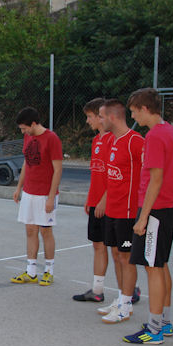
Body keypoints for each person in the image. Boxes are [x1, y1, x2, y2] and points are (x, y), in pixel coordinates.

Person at [123, 88, 173, 345]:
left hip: (156, 209)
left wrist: (143, 217)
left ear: (145, 109)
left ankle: (155, 329)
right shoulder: (170, 130)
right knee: (161, 264)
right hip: (168, 207)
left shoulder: (156, 135)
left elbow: (156, 179)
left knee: (153, 268)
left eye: (134, 111)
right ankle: (164, 321)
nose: (133, 116)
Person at [96, 99, 143, 323]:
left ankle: (126, 304)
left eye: (102, 116)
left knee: (126, 258)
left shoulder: (136, 141)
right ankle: (121, 298)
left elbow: (151, 174)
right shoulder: (111, 141)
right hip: (112, 210)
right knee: (116, 255)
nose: (100, 120)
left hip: (128, 211)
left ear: (112, 117)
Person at [11, 107, 63, 286]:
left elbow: (58, 170)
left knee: (45, 231)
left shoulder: (52, 138)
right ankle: (31, 271)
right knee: (30, 230)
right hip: (29, 192)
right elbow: (27, 162)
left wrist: (51, 198)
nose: (23, 132)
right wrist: (19, 187)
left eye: (24, 128)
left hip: (45, 194)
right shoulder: (28, 137)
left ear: (33, 124)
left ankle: (49, 271)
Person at [72, 98, 113, 303]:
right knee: (98, 245)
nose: (87, 121)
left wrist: (104, 200)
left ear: (100, 116)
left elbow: (115, 176)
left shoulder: (114, 140)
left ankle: (130, 289)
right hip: (96, 202)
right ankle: (97, 290)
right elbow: (96, 174)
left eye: (89, 116)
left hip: (110, 204)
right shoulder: (96, 140)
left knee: (119, 251)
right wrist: (90, 199)